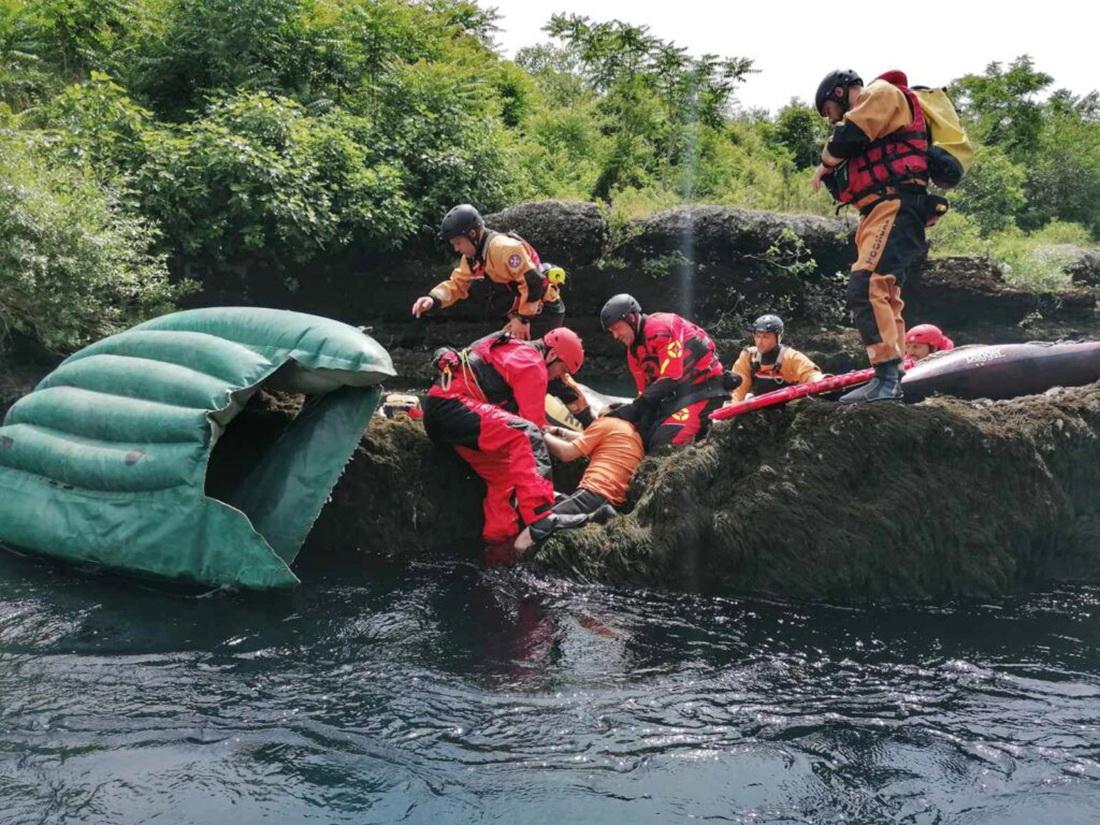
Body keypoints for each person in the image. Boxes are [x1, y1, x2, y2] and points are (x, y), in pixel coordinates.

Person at [811, 69, 937, 403]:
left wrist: (825, 163)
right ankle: (892, 374)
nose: (830, 119)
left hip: (895, 204)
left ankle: (885, 378)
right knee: (884, 291)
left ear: (839, 92)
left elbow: (847, 137)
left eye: (828, 110)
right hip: (879, 210)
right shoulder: (876, 117)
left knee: (867, 286)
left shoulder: (880, 92)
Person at [422, 326, 584, 546]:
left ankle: (499, 546)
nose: (560, 376)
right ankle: (541, 516)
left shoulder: (516, 350)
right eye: (562, 369)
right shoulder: (533, 363)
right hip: (451, 407)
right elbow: (534, 429)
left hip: (445, 414)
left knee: (504, 478)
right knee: (525, 435)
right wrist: (576, 445)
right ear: (553, 355)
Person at [599, 293, 737, 449]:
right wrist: (624, 411)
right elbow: (645, 395)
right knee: (644, 435)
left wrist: (632, 409)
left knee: (664, 442)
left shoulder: (661, 327)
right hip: (678, 397)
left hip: (705, 391)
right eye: (612, 332)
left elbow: (672, 377)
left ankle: (704, 438)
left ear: (631, 318)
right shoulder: (634, 353)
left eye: (617, 328)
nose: (615, 336)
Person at [410, 204, 565, 340]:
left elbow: (533, 281)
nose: (456, 249)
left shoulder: (503, 248)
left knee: (521, 363)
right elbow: (457, 284)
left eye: (458, 243)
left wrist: (523, 319)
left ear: (472, 234)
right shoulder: (471, 259)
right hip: (521, 315)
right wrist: (433, 299)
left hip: (543, 311)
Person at [514, 415, 645, 554]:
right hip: (608, 498)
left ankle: (512, 565)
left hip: (594, 492)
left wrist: (538, 433)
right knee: (541, 496)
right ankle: (594, 515)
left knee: (525, 538)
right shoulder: (630, 435)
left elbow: (565, 453)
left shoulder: (608, 422)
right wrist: (559, 431)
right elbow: (586, 437)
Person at [729, 314, 825, 402]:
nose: (760, 342)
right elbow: (738, 389)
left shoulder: (790, 357)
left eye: (766, 337)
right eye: (758, 336)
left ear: (778, 337)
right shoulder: (748, 357)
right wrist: (730, 409)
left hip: (786, 407)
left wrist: (821, 380)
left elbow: (809, 374)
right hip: (760, 408)